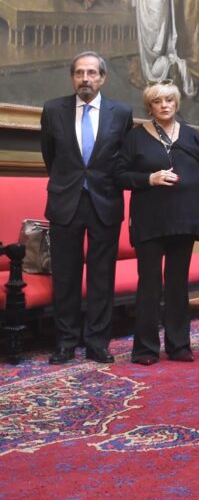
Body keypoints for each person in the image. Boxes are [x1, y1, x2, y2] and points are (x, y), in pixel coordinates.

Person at [40, 51, 134, 364]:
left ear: (102, 78)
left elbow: (124, 159)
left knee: (101, 275)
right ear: (72, 77)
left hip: (104, 202)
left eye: (92, 73)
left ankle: (97, 342)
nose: (85, 78)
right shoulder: (53, 110)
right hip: (65, 202)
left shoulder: (120, 113)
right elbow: (50, 157)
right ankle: (66, 342)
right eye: (79, 72)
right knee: (65, 276)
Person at [115, 81, 199, 364]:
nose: (165, 105)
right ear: (150, 107)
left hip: (184, 221)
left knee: (178, 284)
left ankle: (179, 345)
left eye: (169, 100)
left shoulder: (192, 136)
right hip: (149, 222)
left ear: (176, 103)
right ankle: (145, 349)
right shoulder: (135, 137)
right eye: (158, 101)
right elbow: (119, 175)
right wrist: (149, 179)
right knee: (150, 285)